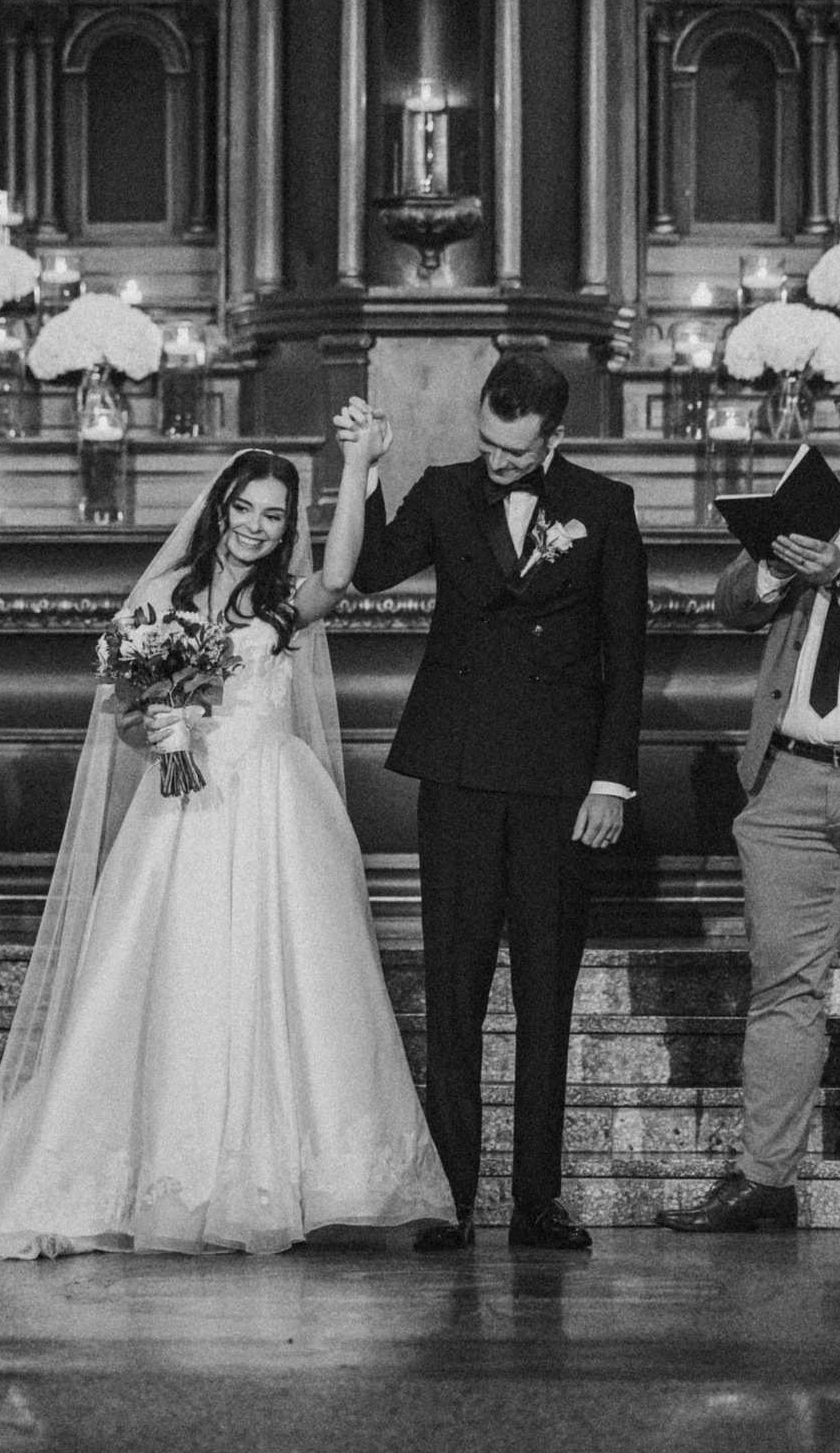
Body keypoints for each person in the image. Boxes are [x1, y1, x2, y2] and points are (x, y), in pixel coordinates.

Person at [0, 424, 454, 1259]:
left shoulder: (284, 603)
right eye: (245, 509)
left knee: (291, 982)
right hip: (184, 812)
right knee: (181, 981)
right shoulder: (162, 597)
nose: (256, 527)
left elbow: (341, 577)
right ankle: (156, 1179)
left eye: (273, 515)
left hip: (275, 807)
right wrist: (156, 729)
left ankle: (285, 1181)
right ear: (219, 508)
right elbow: (123, 711)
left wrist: (357, 464)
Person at [341, 351, 647, 1253]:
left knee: (546, 991)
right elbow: (370, 572)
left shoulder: (603, 505)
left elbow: (625, 650)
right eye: (488, 444)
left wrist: (611, 779)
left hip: (560, 782)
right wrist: (364, 469)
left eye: (515, 451)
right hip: (461, 769)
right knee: (454, 987)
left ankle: (536, 1202)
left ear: (554, 437)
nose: (498, 463)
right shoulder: (445, 491)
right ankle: (453, 1196)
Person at [659, 337, 840, 1239]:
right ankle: (764, 1180)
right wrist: (776, 561)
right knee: (781, 987)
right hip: (789, 781)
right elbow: (732, 603)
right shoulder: (822, 493)